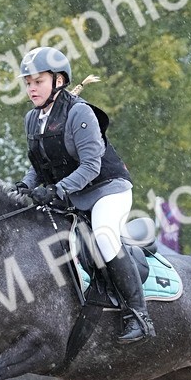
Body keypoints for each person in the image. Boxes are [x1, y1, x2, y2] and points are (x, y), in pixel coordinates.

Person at [11, 46, 154, 343]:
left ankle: (138, 315)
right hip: (73, 196)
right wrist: (25, 186)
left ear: (58, 81)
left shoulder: (79, 113)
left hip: (107, 190)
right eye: (28, 83)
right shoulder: (32, 118)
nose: (31, 89)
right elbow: (39, 165)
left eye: (37, 81)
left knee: (103, 236)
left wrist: (57, 190)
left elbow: (91, 165)